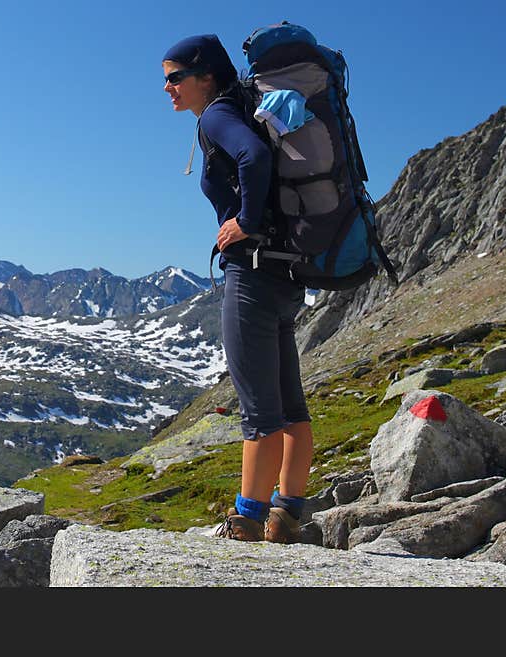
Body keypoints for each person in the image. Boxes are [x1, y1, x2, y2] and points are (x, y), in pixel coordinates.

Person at [162, 34, 314, 543]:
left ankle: (246, 523)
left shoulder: (217, 116)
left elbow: (251, 156)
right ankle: (287, 515)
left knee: (259, 413)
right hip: (287, 273)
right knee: (291, 405)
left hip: (252, 273)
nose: (168, 88)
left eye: (175, 77)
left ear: (206, 76)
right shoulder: (250, 107)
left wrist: (244, 220)